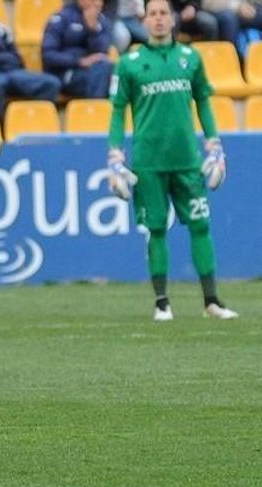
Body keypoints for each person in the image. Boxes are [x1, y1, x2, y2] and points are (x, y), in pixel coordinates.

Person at [107, 0, 239, 321]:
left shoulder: (190, 58)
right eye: (152, 14)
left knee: (201, 226)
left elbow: (204, 103)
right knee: (155, 230)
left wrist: (214, 143)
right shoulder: (129, 63)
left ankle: (212, 301)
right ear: (144, 19)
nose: (158, 19)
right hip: (148, 163)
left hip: (187, 161)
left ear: (173, 18)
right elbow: (117, 110)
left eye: (164, 13)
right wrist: (114, 154)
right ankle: (162, 303)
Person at [42, 0, 114, 98]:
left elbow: (102, 50)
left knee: (114, 72)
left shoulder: (102, 22)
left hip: (95, 71)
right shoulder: (61, 18)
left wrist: (92, 30)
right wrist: (78, 61)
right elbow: (48, 54)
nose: (96, 3)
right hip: (66, 72)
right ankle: (97, 110)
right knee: (101, 76)